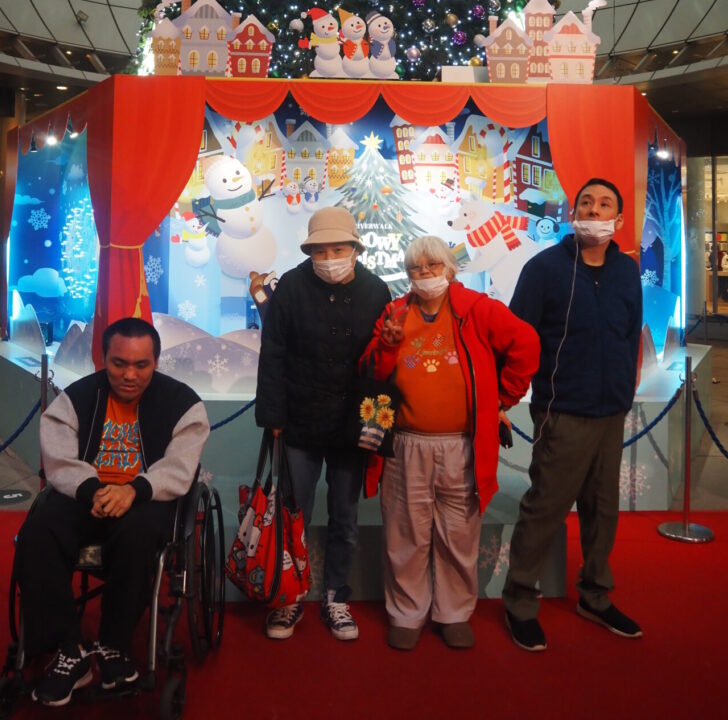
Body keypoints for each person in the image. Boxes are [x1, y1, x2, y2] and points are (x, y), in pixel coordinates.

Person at [15, 317, 210, 706]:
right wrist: (93, 490)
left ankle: (113, 644)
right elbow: (58, 459)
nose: (129, 375)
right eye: (119, 363)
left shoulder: (183, 404)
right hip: (85, 495)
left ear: (156, 362)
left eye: (141, 365)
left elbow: (180, 467)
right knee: (37, 532)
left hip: (147, 500)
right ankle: (68, 650)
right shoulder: (77, 398)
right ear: (103, 358)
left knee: (139, 534)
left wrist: (134, 490)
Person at [362, 235, 540, 651]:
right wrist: (387, 344)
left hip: (462, 445)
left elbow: (527, 344)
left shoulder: (478, 309)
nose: (424, 273)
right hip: (406, 444)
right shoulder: (394, 312)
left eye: (432, 264)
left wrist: (502, 399)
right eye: (415, 267)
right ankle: (406, 613)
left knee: (458, 533)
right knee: (404, 533)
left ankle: (454, 613)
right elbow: (371, 373)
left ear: (450, 268)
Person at [502, 178, 643, 651]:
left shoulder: (626, 271)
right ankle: (520, 600)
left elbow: (630, 334)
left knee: (603, 510)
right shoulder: (544, 269)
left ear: (617, 218)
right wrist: (507, 398)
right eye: (586, 202)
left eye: (605, 204)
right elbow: (517, 337)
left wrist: (624, 388)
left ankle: (595, 594)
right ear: (572, 212)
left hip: (611, 412)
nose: (594, 210)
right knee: (545, 507)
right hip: (562, 411)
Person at [255, 206, 391, 641]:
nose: (329, 258)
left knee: (345, 517)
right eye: (320, 250)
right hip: (300, 419)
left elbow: (382, 363)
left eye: (338, 249)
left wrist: (376, 426)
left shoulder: (376, 290)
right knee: (293, 514)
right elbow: (273, 352)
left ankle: (335, 596)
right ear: (309, 252)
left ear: (355, 249)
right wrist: (273, 416)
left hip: (353, 425)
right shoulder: (292, 287)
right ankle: (288, 596)